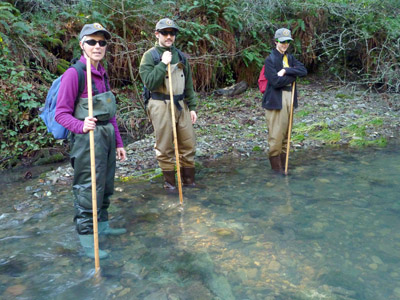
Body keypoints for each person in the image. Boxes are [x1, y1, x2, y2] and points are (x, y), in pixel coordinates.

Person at [55, 23, 127, 259]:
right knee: (88, 188)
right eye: (92, 42)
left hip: (105, 137)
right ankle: (87, 239)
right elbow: (61, 114)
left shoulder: (102, 73)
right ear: (81, 45)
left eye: (102, 42)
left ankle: (103, 227)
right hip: (86, 140)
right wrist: (81, 125)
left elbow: (110, 114)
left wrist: (118, 142)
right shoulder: (73, 74)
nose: (98, 46)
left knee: (105, 185)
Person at [139, 18, 198, 191]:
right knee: (164, 147)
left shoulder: (180, 56)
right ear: (157, 34)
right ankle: (170, 185)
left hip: (181, 104)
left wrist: (192, 107)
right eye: (165, 33)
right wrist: (163, 63)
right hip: (160, 104)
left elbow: (188, 83)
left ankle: (189, 182)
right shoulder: (150, 56)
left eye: (172, 33)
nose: (169, 36)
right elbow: (149, 82)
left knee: (188, 144)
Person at [262, 28, 307, 173]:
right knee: (276, 137)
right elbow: (275, 81)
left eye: (287, 42)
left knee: (287, 136)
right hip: (276, 100)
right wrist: (293, 75)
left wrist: (286, 71)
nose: (285, 44)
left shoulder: (291, 58)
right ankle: (277, 171)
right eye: (282, 42)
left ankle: (283, 167)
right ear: (276, 41)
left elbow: (303, 71)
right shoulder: (270, 60)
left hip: (290, 98)